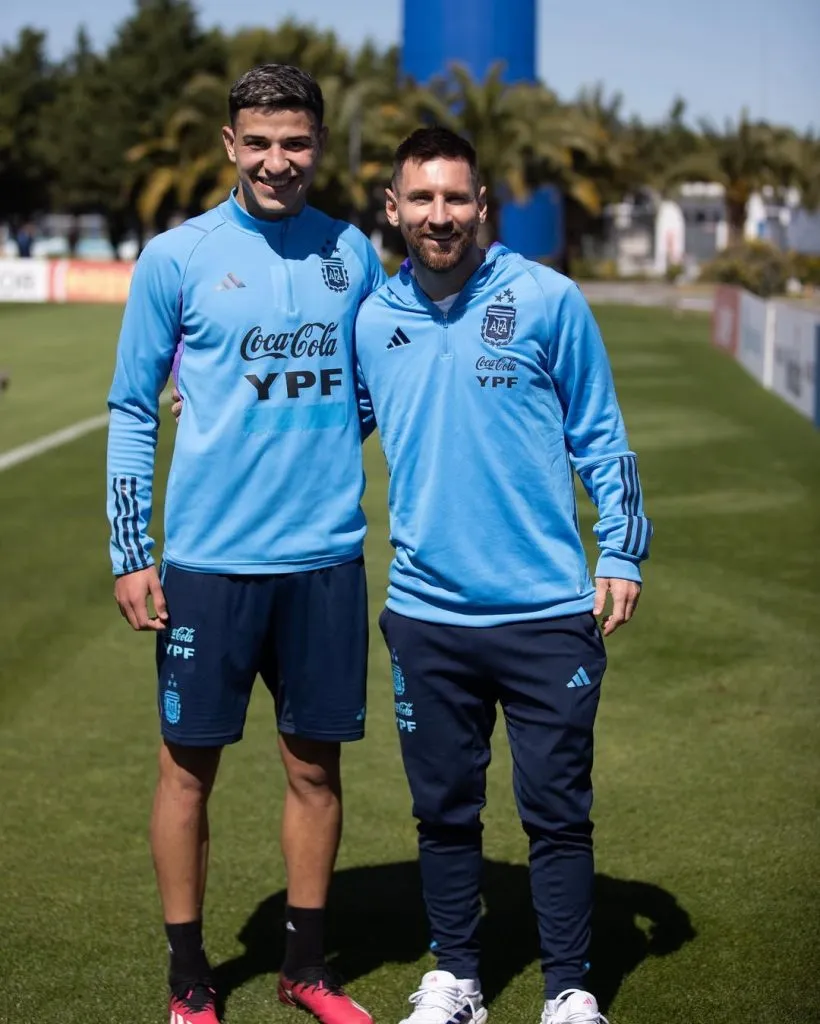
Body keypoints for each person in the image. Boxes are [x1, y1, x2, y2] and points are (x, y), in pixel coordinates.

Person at [353, 127, 652, 1024]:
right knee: (444, 814)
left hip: (545, 611)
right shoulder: (372, 320)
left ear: (483, 205)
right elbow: (322, 423)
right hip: (426, 614)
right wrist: (210, 388)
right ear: (394, 209)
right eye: (422, 198)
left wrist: (622, 549)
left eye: (456, 197)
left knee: (557, 813)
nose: (440, 215)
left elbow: (601, 433)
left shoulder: (548, 299)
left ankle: (569, 988)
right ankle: (457, 979)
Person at [106, 64, 384, 1024]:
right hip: (209, 567)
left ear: (319, 146)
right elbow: (132, 406)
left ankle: (306, 969)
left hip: (325, 561)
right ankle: (191, 979)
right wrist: (130, 551)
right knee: (187, 771)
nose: (277, 160)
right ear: (230, 144)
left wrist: (312, 441)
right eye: (258, 142)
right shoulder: (175, 257)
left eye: (295, 142)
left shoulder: (354, 252)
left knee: (315, 770)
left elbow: (372, 388)